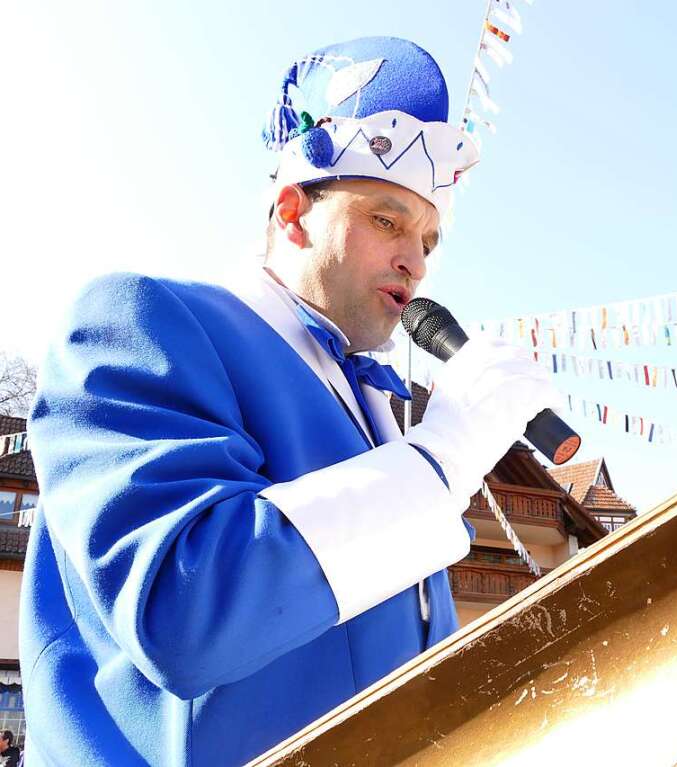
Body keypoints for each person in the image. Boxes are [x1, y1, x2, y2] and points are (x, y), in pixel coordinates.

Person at [20, 37, 558, 766]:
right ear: (292, 211)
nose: (418, 259)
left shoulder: (378, 419)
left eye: (430, 238)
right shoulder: (138, 319)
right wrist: (446, 454)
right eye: (387, 220)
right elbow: (187, 611)